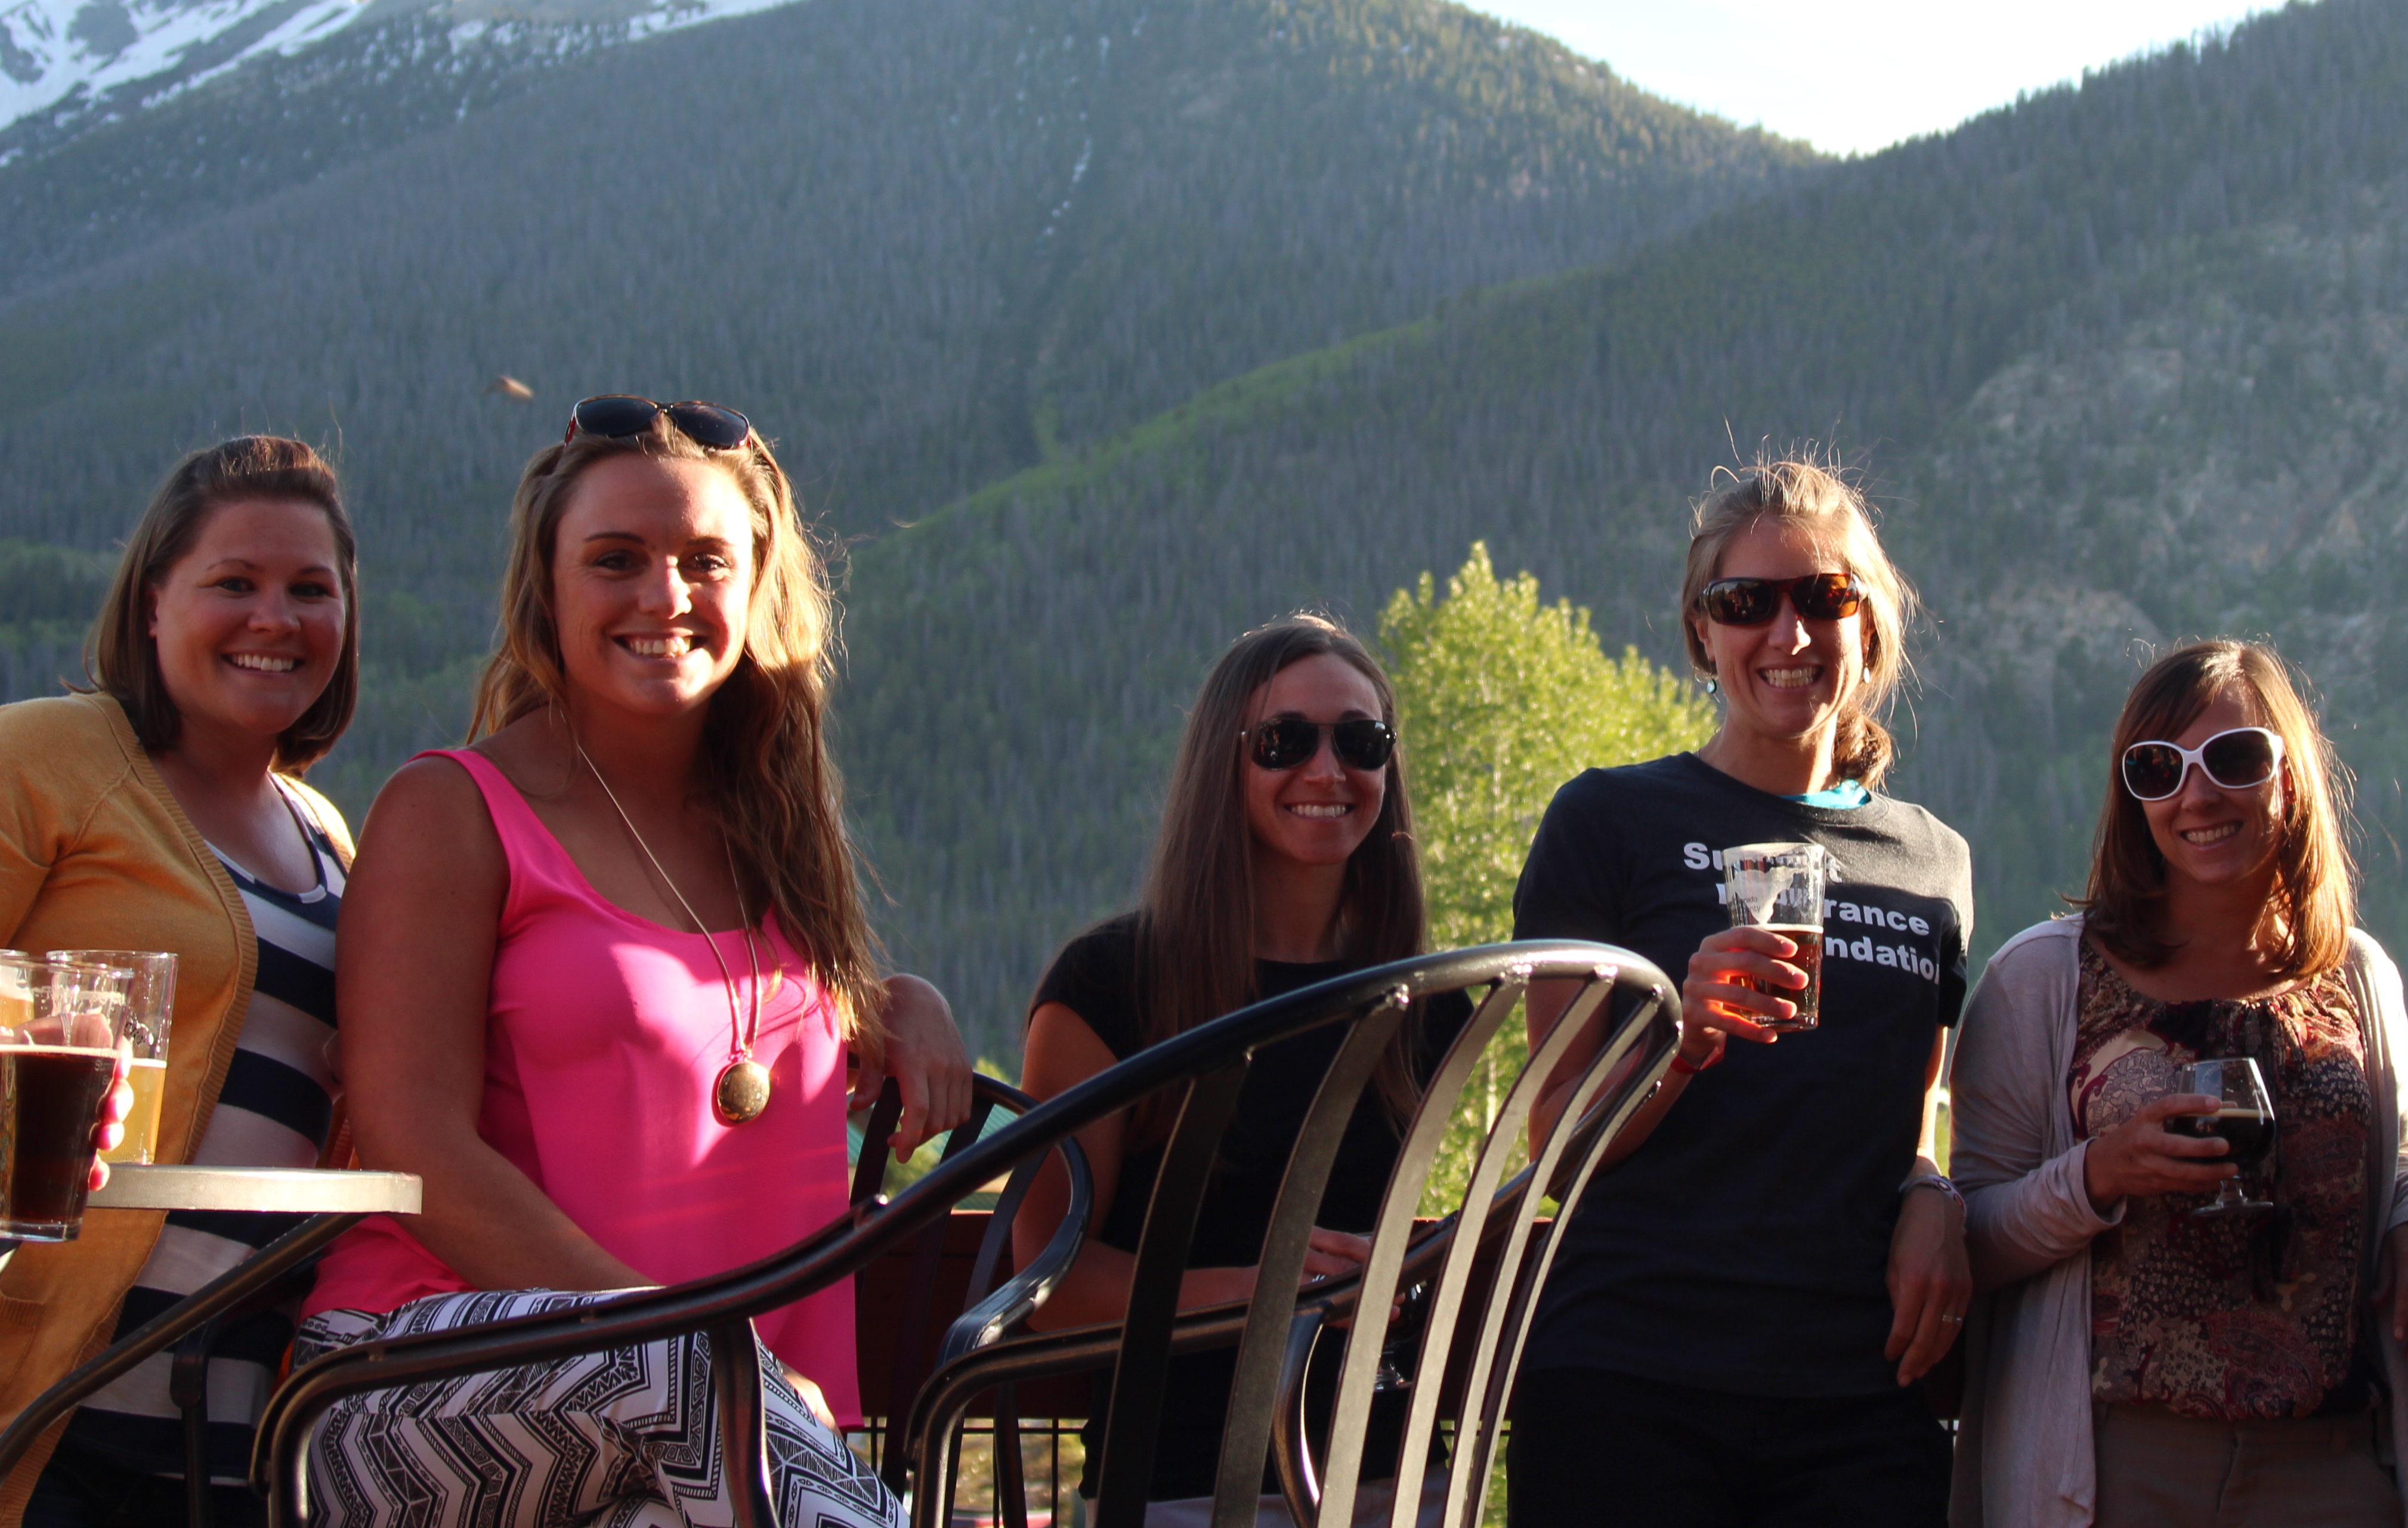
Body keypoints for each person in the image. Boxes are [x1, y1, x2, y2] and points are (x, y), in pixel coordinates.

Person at [298, 397, 973, 1528]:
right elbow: (409, 1141)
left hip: (721, 1443)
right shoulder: (455, 811)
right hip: (401, 1391)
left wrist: (904, 1000)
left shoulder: (777, 849)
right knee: (690, 1381)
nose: (665, 596)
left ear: (758, 588)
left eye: (706, 560)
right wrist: (695, 1345)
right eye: (616, 559)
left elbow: (744, 1035)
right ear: (547, 590)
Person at [1506, 457, 1975, 1528]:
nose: (1789, 633)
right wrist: (1681, 1035)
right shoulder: (1608, 822)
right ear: (1701, 632)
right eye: (1745, 602)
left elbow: (1914, 1117)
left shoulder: (1931, 860)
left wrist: (1935, 1196)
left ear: (1870, 629)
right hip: (1631, 1374)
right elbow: (1552, 1134)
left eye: (1825, 597)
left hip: (1858, 1389)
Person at [1948, 638, 2408, 1528]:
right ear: (2134, 799)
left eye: (2234, 758)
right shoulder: (2044, 978)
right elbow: (1966, 1235)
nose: (2197, 794)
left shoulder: (2353, 972)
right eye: (2158, 768)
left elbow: (2402, 1156)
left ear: (2289, 776)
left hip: (2331, 1463)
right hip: (2116, 1464)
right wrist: (2097, 1177)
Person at [1012, 613, 1465, 1526]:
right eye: (1284, 741)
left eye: (1361, 740)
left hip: (1393, 1480)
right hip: (1177, 1486)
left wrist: (1415, 1273)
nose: (1328, 770)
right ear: (1225, 763)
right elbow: (1044, 1283)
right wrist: (1260, 1291)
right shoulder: (1110, 988)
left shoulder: (1434, 1004)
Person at [0, 437, 351, 1528]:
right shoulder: (49, 756)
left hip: (238, 1421)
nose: (275, 618)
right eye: (233, 583)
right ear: (154, 604)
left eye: (310, 588)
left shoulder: (331, 839)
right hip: (49, 1391)